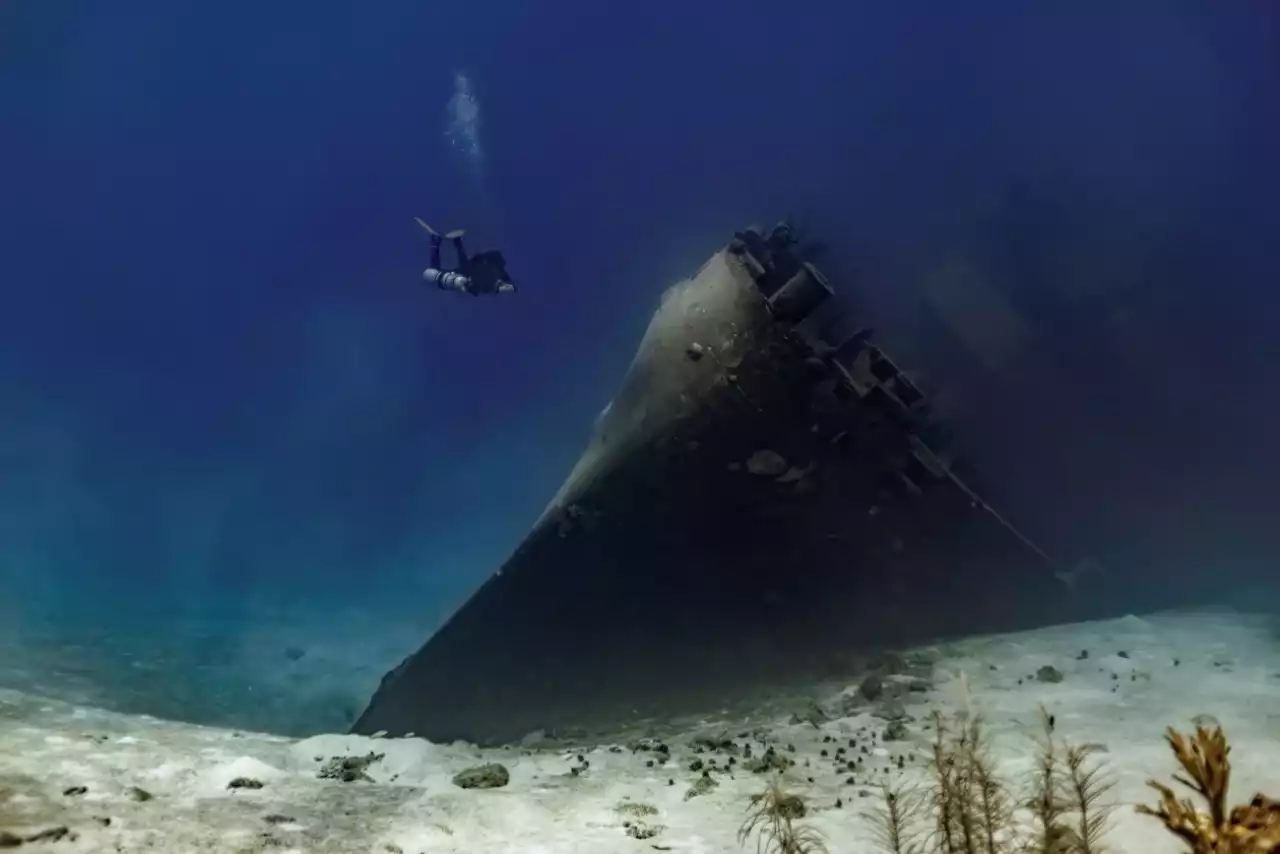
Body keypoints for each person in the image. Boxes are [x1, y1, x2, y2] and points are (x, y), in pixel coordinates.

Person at [415, 218, 516, 296]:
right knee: (439, 270)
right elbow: (475, 284)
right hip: (470, 275)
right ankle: (448, 242)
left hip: (471, 272)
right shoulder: (490, 276)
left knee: (454, 269)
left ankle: (449, 242)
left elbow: (469, 271)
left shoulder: (491, 271)